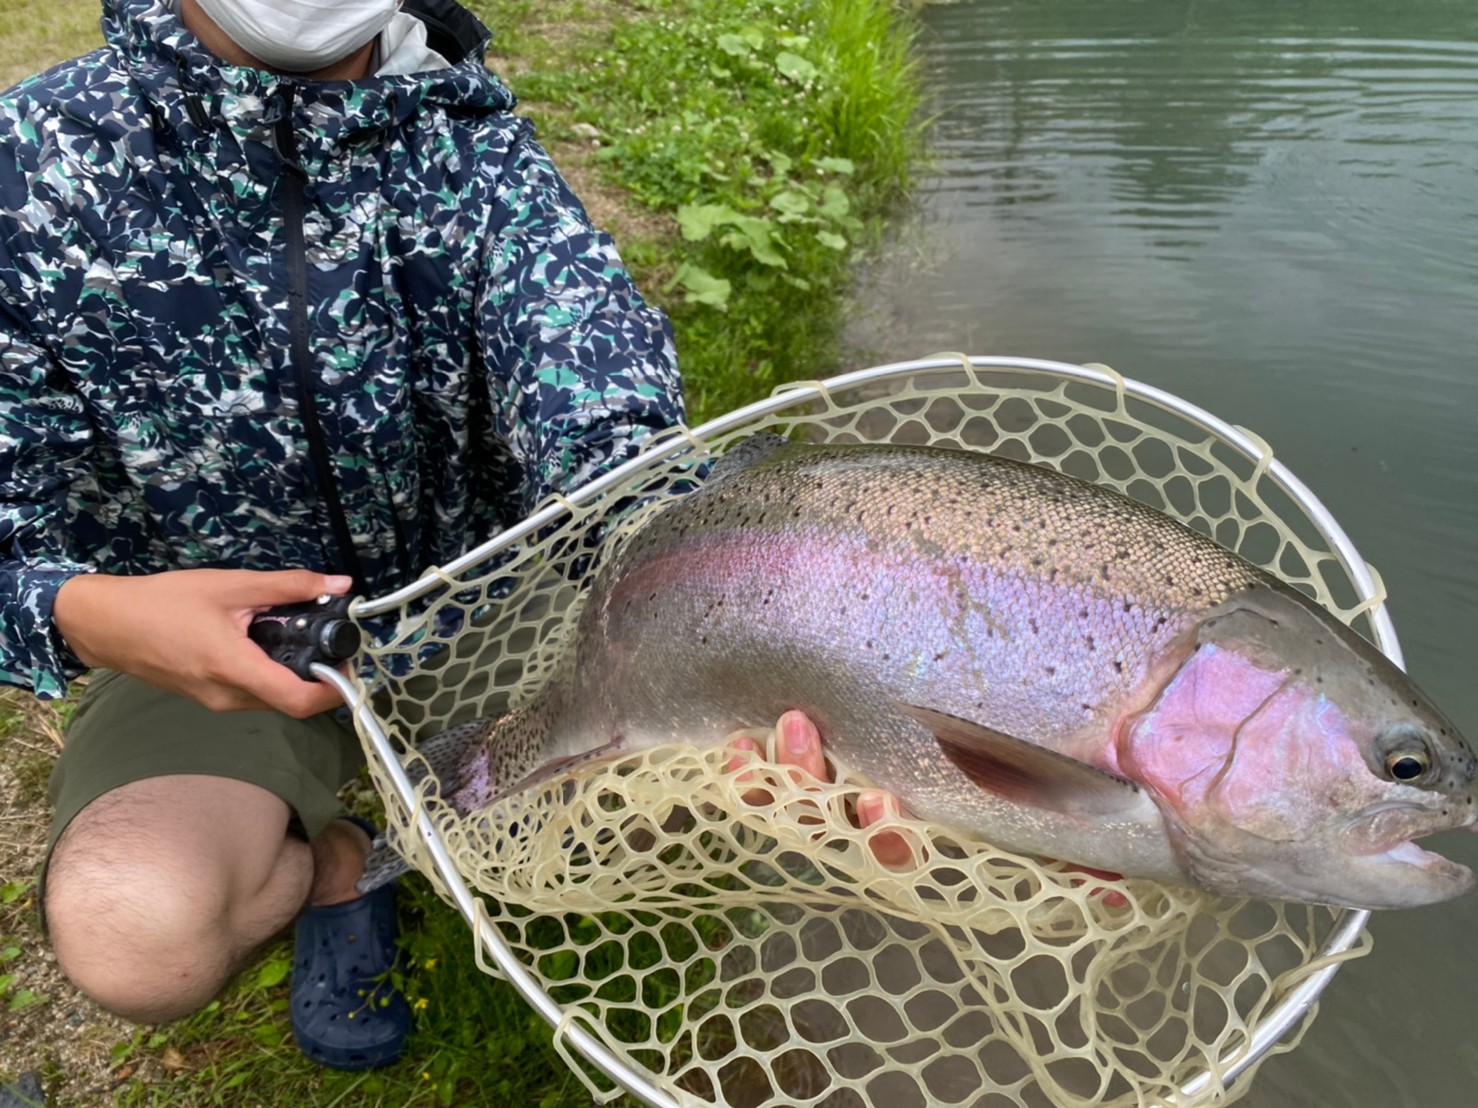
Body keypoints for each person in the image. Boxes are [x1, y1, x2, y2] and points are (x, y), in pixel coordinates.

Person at [0, 0, 902, 1072]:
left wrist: (708, 592)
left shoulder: (473, 148)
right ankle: (340, 864)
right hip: (198, 657)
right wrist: (93, 615)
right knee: (136, 931)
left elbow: (603, 423)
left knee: (708, 798)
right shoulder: (32, 169)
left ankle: (448, 814)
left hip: (490, 617)